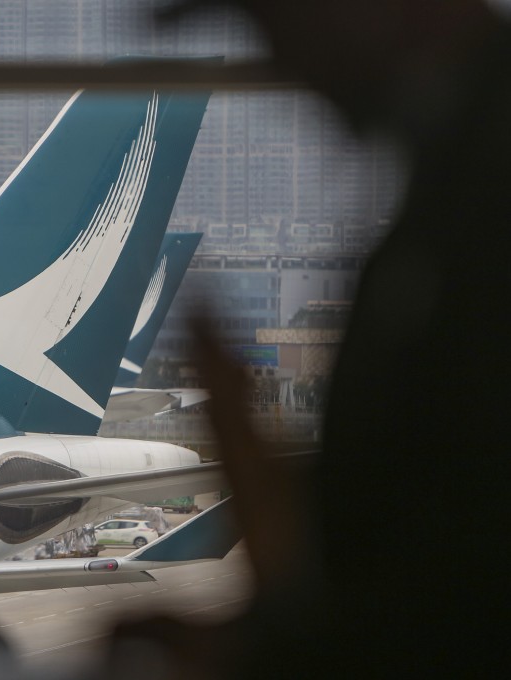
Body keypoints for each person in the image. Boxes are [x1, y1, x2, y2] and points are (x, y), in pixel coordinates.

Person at [106, 1, 511, 676]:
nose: (278, 64)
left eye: (277, 24)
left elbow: (459, 600)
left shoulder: (476, 194)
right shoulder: (447, 182)